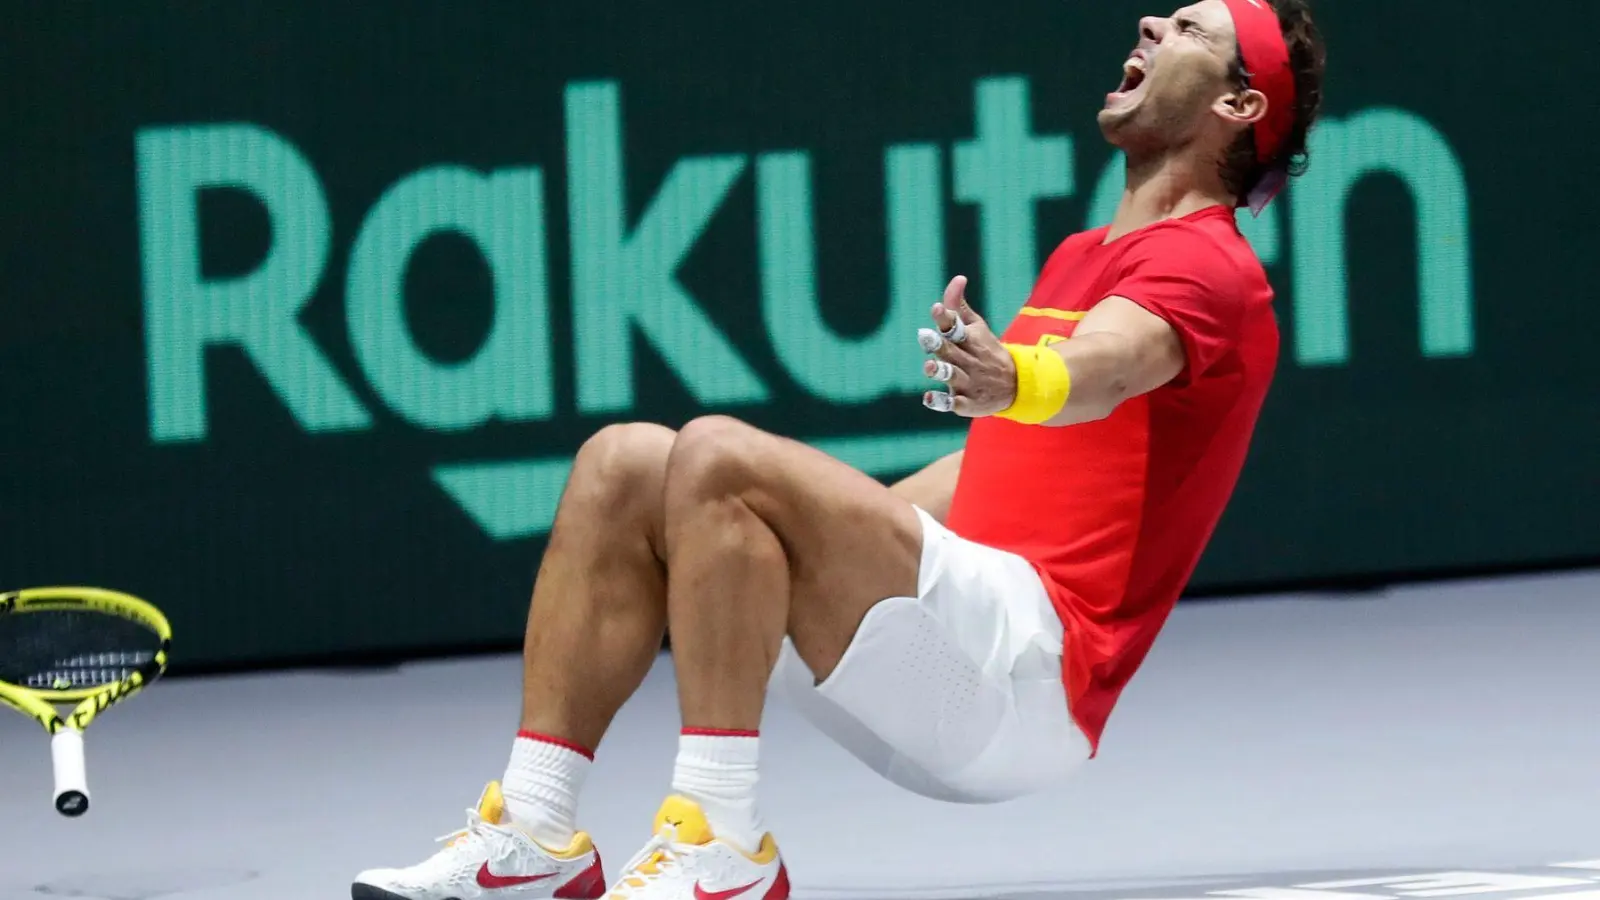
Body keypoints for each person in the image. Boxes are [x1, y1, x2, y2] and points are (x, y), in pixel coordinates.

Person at [353, 1, 1326, 898]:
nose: (1152, 20)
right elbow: (989, 474)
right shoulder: (1082, 255)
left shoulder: (1212, 268)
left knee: (719, 454)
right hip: (950, 640)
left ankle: (721, 841)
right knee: (625, 464)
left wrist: (1022, 381)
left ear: (1240, 104)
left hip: (1027, 679)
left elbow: (1113, 363)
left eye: (1190, 29)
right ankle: (534, 831)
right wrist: (786, 537)